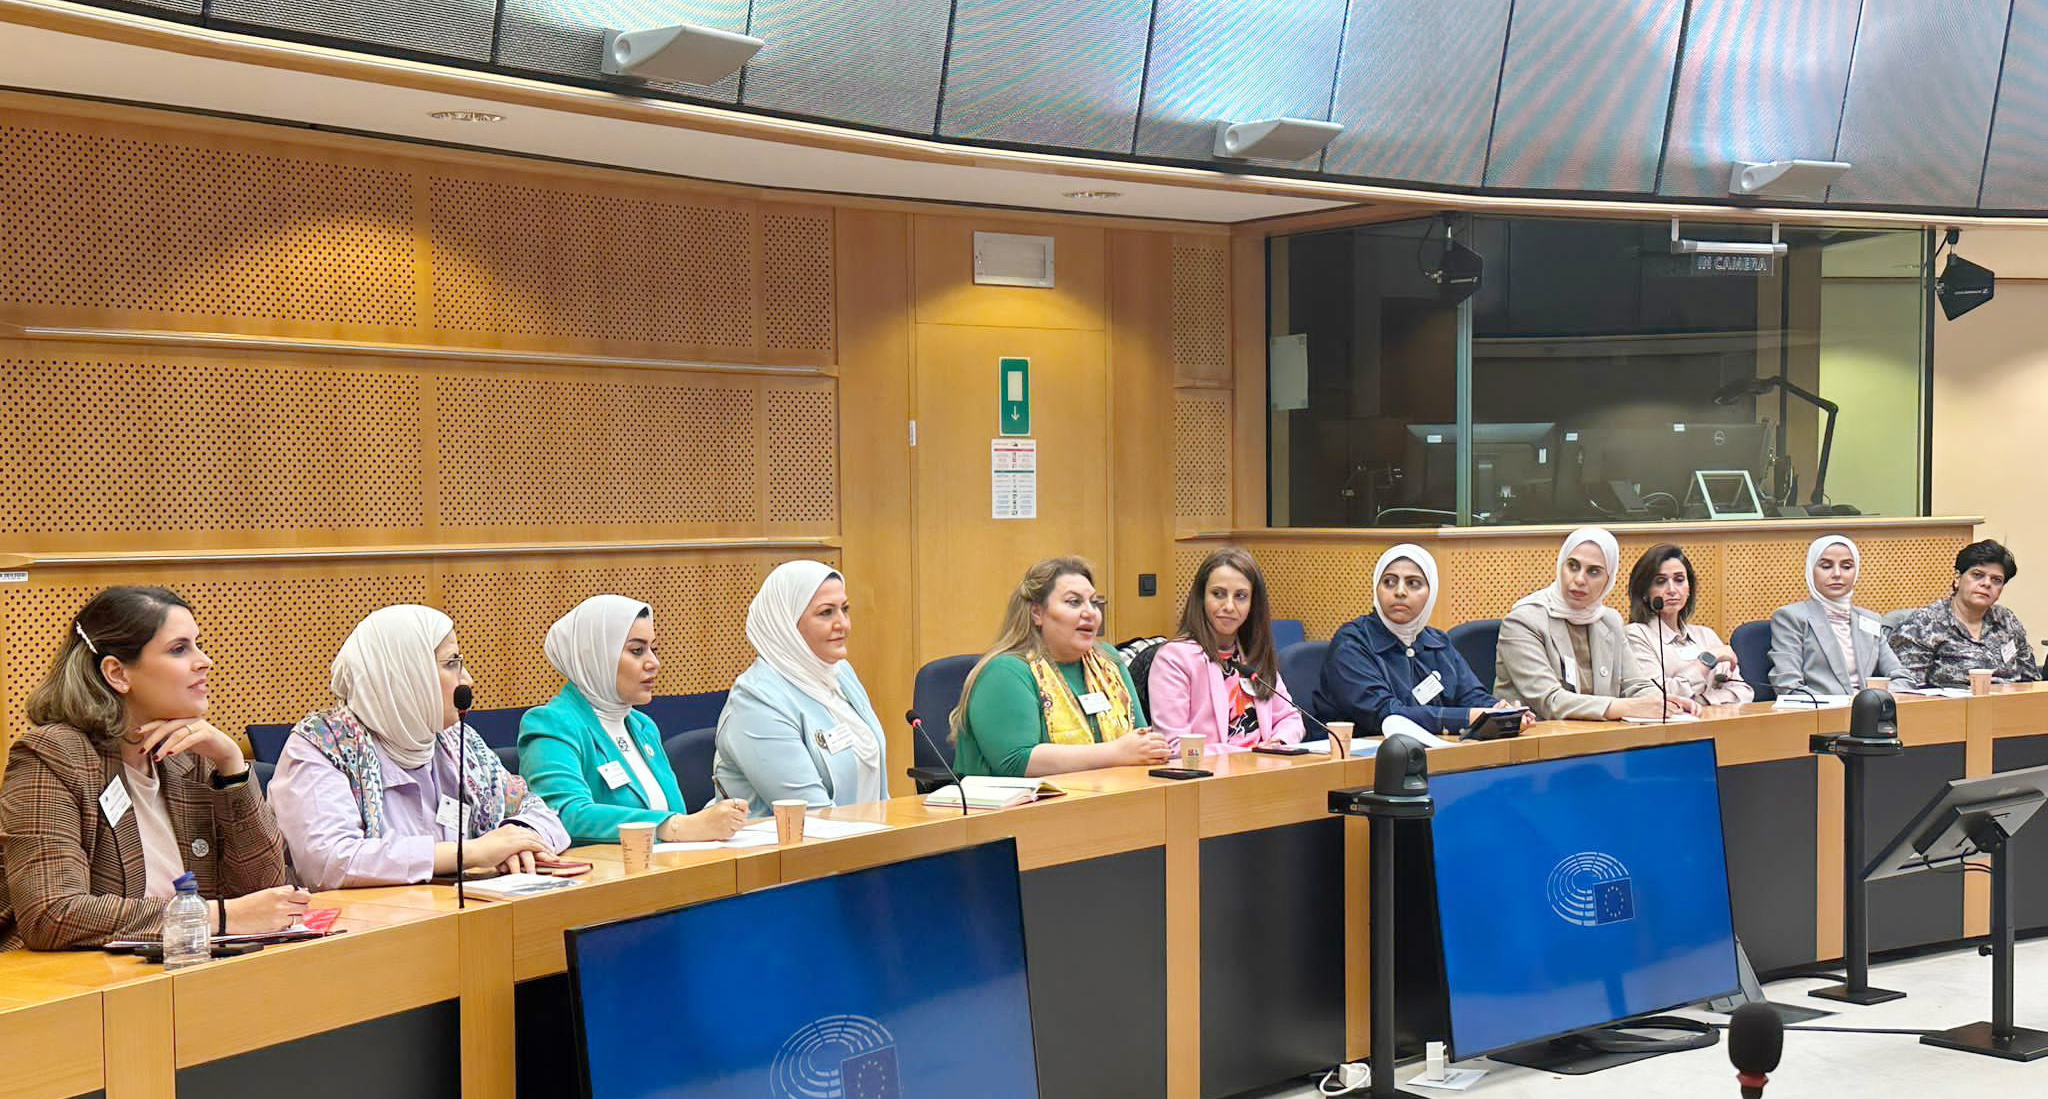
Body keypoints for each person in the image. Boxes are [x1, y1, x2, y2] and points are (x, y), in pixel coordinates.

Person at [0, 587, 304, 950]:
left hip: (185, 971)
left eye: (198, 644)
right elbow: (52, 914)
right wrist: (218, 917)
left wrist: (232, 767)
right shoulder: (54, 756)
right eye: (179, 649)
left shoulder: (190, 757)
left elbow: (265, 895)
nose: (205, 661)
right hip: (81, 988)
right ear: (117, 673)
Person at [268, 605, 570, 890]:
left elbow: (540, 812)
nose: (468, 680)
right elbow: (329, 862)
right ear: (403, 674)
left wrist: (519, 840)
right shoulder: (323, 745)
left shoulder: (457, 740)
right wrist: (472, 852)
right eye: (452, 664)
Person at [519, 595, 748, 843]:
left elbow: (675, 813)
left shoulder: (643, 726)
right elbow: (565, 815)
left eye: (653, 649)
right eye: (637, 651)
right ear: (596, 656)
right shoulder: (551, 724)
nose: (654, 663)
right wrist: (677, 827)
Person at [952, 557, 1170, 777]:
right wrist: (1115, 753)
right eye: (1074, 602)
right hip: (1023, 806)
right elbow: (1016, 762)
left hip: (1108, 795)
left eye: (1093, 602)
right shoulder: (1007, 671)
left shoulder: (1108, 661)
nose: (1090, 612)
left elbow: (1139, 738)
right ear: (1037, 613)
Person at [713, 562, 891, 815]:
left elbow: (877, 790)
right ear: (786, 623)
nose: (843, 624)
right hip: (788, 851)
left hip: (862, 844)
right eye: (826, 613)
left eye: (845, 609)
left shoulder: (840, 673)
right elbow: (810, 814)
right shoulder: (756, 702)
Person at [1314, 544, 1531, 734]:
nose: (1400, 592)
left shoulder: (1436, 642)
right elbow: (1387, 715)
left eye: (1413, 583)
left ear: (1431, 592)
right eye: (1389, 582)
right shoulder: (1352, 643)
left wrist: (1500, 712)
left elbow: (1471, 695)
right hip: (1356, 762)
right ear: (1376, 589)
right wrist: (1468, 718)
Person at [1495, 527, 1696, 721]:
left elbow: (1636, 685)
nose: (1580, 579)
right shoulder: (1523, 621)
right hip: (1535, 741)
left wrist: (1663, 703)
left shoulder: (1609, 621)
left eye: (1593, 571)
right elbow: (1550, 701)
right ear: (1560, 566)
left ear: (1609, 579)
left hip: (1597, 739)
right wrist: (1626, 707)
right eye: (1572, 566)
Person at [1147, 548, 1304, 752]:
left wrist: (1280, 741)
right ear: (1201, 598)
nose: (1229, 606)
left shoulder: (1252, 653)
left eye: (1240, 596)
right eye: (1218, 594)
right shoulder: (1174, 658)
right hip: (1211, 777)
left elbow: (1290, 718)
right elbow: (1175, 746)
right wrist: (1252, 755)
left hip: (1265, 771)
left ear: (1252, 604)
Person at [1768, 535, 1911, 697]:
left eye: (1846, 566)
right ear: (1810, 570)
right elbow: (1787, 685)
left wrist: (1874, 698)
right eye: (1826, 566)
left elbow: (1902, 677)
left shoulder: (1870, 619)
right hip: (1819, 715)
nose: (1837, 574)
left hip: (1869, 712)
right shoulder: (1790, 617)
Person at [1888, 540, 2040, 689]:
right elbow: (1908, 690)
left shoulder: (2007, 620)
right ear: (1957, 578)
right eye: (1977, 575)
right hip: (1950, 710)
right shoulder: (1923, 625)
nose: (1987, 584)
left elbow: (2031, 682)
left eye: (1996, 580)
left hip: (2009, 708)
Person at [1624, 544, 1754, 707]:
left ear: (1689, 588)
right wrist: (1707, 660)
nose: (1672, 590)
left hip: (1716, 722)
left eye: (1679, 580)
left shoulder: (1706, 635)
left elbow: (1744, 692)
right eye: (1660, 581)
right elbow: (1657, 698)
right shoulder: (1635, 635)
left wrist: (1698, 702)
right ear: (1645, 592)